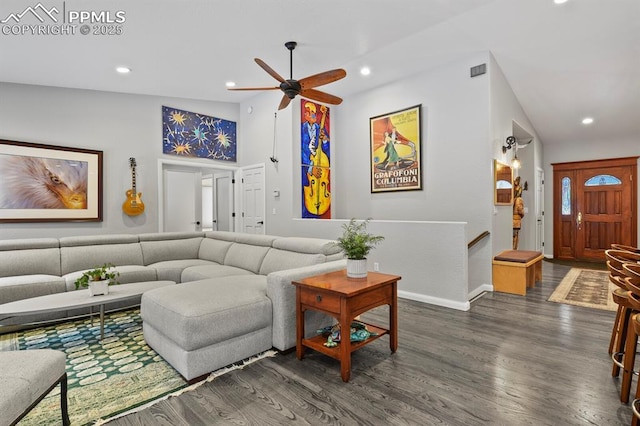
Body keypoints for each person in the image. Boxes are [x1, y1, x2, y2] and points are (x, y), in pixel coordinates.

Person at [513, 176, 525, 249]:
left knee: (513, 236)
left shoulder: (513, 199)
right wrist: (522, 214)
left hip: (512, 219)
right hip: (517, 220)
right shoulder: (519, 199)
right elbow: (520, 210)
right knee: (516, 236)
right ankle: (515, 250)